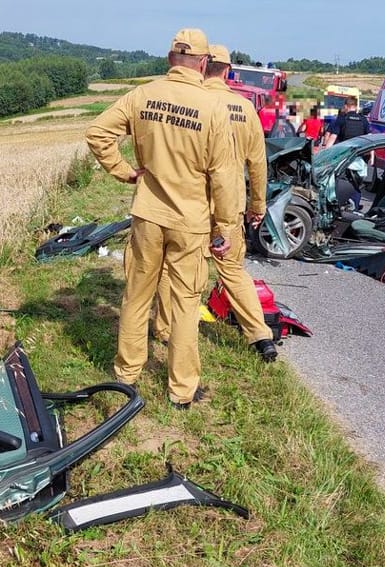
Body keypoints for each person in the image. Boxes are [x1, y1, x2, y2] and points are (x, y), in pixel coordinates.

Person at [85, 28, 236, 410]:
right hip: (191, 221)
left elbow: (98, 133)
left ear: (171, 59)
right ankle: (181, 391)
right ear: (203, 63)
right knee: (186, 303)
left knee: (137, 295)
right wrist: (226, 227)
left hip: (148, 215)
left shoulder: (143, 95)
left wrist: (125, 171)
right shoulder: (214, 107)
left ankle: (127, 375)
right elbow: (223, 175)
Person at [153, 44, 277, 364]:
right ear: (228, 70)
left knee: (174, 266)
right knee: (233, 271)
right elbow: (258, 164)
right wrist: (257, 205)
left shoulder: (191, 103)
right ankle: (261, 336)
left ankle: (165, 329)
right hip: (229, 206)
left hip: (189, 203)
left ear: (201, 66)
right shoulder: (244, 108)